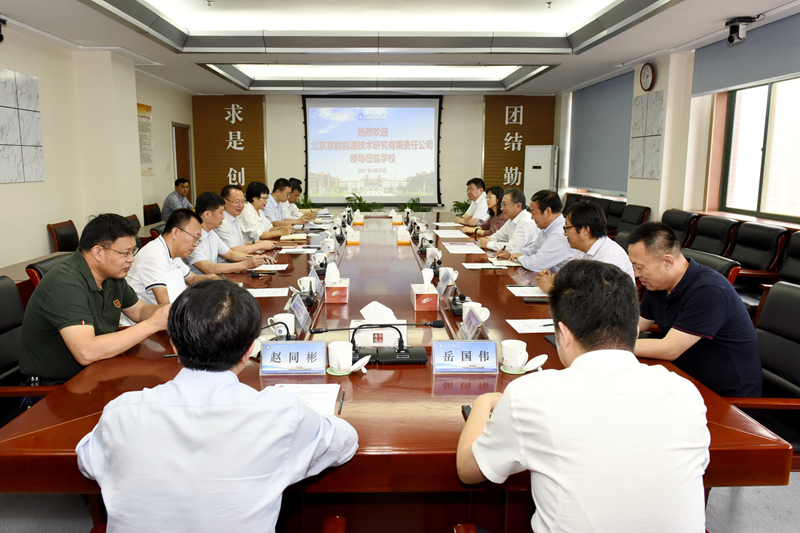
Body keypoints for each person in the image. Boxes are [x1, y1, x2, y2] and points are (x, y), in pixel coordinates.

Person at [76, 280, 358, 532]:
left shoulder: (122, 412)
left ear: (173, 344)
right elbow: (345, 442)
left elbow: (88, 462)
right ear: (250, 350)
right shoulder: (280, 412)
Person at [457, 261, 710, 533]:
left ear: (564, 335)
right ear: (635, 331)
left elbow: (468, 471)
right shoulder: (685, 393)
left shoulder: (531, 395)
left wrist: (484, 402)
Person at [20, 214, 170, 383]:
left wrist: (170, 309)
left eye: (133, 251)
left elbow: (139, 310)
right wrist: (152, 324)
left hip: (97, 373)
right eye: (125, 253)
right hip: (56, 387)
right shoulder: (66, 285)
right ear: (98, 252)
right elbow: (86, 352)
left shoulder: (111, 275)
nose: (131, 259)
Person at [629, 222, 762, 397]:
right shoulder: (658, 285)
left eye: (639, 267)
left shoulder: (709, 290)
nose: (636, 274)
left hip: (725, 398)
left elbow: (669, 349)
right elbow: (635, 324)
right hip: (683, 381)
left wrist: (611, 346)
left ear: (667, 261)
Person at [536, 200, 634, 292]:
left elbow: (594, 299)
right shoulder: (582, 249)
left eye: (567, 228)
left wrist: (551, 289)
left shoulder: (609, 258)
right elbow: (566, 275)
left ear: (585, 230)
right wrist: (549, 278)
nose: (565, 233)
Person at [126, 209, 217, 305]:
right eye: (195, 237)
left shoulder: (173, 253)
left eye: (198, 240)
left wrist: (214, 279)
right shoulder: (154, 255)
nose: (196, 244)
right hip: (147, 313)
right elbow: (165, 301)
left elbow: (192, 279)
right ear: (175, 232)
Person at [187, 192, 277, 275]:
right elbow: (208, 268)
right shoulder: (191, 238)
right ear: (207, 214)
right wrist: (246, 264)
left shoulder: (211, 233)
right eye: (221, 213)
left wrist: (256, 258)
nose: (223, 217)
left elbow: (231, 254)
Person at [499, 189, 572, 273]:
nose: (532, 217)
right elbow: (533, 249)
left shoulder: (560, 233)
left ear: (547, 212)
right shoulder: (547, 228)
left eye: (533, 213)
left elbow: (536, 264)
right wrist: (511, 253)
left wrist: (519, 257)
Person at [215, 185, 279, 253]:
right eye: (237, 202)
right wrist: (260, 245)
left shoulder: (235, 217)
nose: (241, 205)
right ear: (224, 201)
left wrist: (256, 242)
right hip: (233, 259)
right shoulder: (221, 222)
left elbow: (239, 243)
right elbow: (234, 250)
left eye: (243, 201)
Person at [477, 188, 537, 252]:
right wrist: (488, 239)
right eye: (501, 204)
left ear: (518, 206)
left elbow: (513, 247)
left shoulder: (526, 221)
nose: (502, 208)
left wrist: (488, 244)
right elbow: (498, 236)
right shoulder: (511, 220)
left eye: (504, 204)